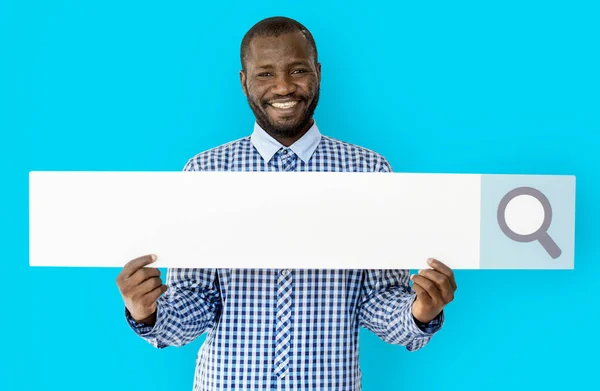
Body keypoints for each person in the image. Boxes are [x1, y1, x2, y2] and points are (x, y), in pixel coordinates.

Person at [116, 16, 457, 391]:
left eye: (297, 70)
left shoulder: (369, 172)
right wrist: (145, 311)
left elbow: (377, 301)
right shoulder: (204, 172)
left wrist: (420, 312)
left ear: (318, 73)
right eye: (265, 74)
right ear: (244, 81)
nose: (283, 86)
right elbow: (195, 303)